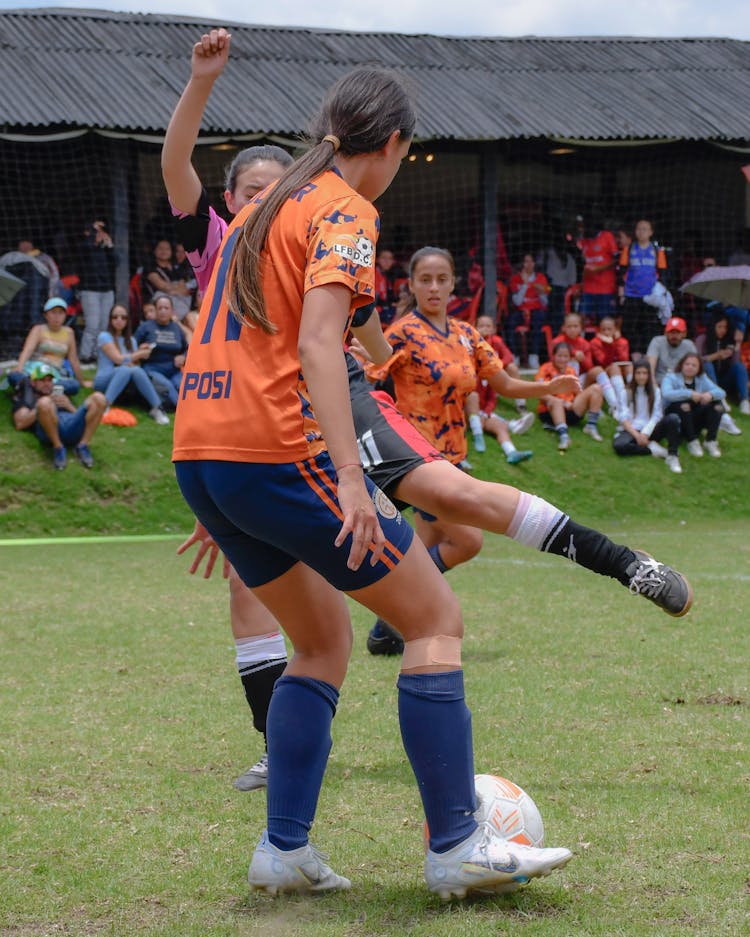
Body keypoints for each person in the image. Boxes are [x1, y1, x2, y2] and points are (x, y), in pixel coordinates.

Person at [169, 29, 692, 836]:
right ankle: (439, 828)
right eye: (248, 185)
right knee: (408, 608)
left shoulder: (318, 239)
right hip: (284, 429)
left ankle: (626, 563)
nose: (259, 194)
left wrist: (436, 377)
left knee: (459, 500)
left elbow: (357, 344)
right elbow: (316, 341)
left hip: (298, 420)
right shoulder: (282, 223)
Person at [11, 361, 106, 469]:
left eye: (49, 380)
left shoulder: (58, 392)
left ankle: (83, 445)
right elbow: (20, 423)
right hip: (49, 430)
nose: (47, 384)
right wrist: (40, 407)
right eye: (42, 380)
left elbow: (85, 417)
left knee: (99, 398)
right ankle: (58, 448)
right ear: (33, 383)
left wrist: (69, 406)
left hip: (71, 426)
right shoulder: (28, 397)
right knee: (45, 402)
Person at [93, 303, 170, 423]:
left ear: (127, 321)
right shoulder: (104, 336)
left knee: (136, 370)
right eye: (115, 317)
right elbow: (118, 359)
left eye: (123, 317)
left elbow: (134, 365)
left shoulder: (131, 340)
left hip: (124, 382)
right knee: (125, 369)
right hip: (104, 380)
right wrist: (138, 354)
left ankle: (157, 408)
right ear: (110, 319)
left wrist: (139, 352)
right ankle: (104, 406)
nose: (119, 320)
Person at [9, 296, 90, 396]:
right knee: (13, 376)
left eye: (60, 313)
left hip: (54, 375)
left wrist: (82, 382)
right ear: (46, 315)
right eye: (53, 312)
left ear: (65, 315)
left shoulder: (69, 333)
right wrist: (19, 368)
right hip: (34, 372)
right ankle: (40, 390)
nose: (57, 316)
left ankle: (35, 391)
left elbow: (73, 359)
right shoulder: (38, 329)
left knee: (74, 386)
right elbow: (27, 350)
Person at [612, 361, 683, 473]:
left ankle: (672, 456)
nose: (641, 376)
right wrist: (637, 435)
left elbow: (657, 415)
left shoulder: (656, 392)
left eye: (645, 373)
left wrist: (645, 433)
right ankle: (651, 448)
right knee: (619, 446)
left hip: (651, 429)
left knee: (673, 419)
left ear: (649, 375)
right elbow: (623, 417)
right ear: (634, 374)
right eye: (638, 373)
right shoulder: (626, 392)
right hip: (632, 429)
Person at [535, 342, 604, 448]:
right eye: (559, 356)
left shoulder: (570, 371)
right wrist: (563, 403)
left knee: (596, 388)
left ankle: (591, 425)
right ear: (553, 356)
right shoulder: (545, 369)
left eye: (565, 356)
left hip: (571, 410)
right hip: (549, 411)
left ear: (569, 358)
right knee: (556, 401)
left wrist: (581, 401)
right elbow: (540, 392)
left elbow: (578, 392)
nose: (562, 359)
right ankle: (564, 436)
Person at [662, 352, 726, 458]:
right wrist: (689, 393)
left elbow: (722, 392)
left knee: (717, 406)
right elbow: (667, 394)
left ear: (699, 368)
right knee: (684, 404)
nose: (690, 367)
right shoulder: (670, 377)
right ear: (681, 365)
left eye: (694, 365)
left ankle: (710, 440)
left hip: (694, 416)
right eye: (687, 364)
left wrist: (710, 394)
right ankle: (692, 441)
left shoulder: (701, 378)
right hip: (676, 416)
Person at [618, 219, 667, 354]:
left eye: (645, 229)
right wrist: (621, 292)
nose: (641, 232)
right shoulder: (628, 249)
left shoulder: (657, 251)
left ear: (651, 232)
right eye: (639, 229)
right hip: (632, 295)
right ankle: (632, 354)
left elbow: (663, 273)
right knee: (630, 328)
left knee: (650, 327)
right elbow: (621, 271)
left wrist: (662, 294)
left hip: (650, 297)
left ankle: (649, 355)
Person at [133, 293, 187, 409]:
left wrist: (183, 357)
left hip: (174, 370)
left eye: (166, 308)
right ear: (155, 310)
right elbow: (131, 347)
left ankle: (187, 409)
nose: (163, 311)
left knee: (183, 386)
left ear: (172, 311)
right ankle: (182, 410)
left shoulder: (176, 328)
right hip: (153, 368)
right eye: (160, 308)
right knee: (168, 387)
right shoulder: (146, 327)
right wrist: (140, 350)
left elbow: (187, 349)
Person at [78, 219, 115, 362]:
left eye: (102, 230)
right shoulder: (84, 247)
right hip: (90, 290)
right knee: (92, 325)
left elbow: (116, 262)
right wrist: (93, 239)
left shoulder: (106, 249)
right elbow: (85, 254)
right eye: (96, 230)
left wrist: (110, 245)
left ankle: (99, 355)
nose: (100, 234)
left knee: (104, 325)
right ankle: (85, 356)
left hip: (107, 291)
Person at [507, 253, 550, 370]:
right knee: (510, 323)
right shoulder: (516, 278)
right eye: (526, 261)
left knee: (538, 323)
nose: (529, 265)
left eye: (531, 261)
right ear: (522, 264)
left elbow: (545, 303)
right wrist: (525, 285)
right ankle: (514, 357)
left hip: (536, 310)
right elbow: (517, 302)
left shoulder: (541, 278)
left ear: (535, 264)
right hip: (521, 311)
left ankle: (534, 356)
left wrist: (541, 292)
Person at [701, 312, 750, 414]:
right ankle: (718, 397)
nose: (723, 330)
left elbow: (735, 365)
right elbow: (695, 361)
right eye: (720, 327)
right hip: (707, 382)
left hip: (724, 380)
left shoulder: (728, 341)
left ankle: (744, 401)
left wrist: (736, 347)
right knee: (708, 364)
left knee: (739, 367)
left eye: (725, 327)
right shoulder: (702, 339)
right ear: (713, 326)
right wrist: (716, 356)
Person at [588, 316, 632, 416]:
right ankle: (617, 405)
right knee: (614, 368)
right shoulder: (595, 342)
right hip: (603, 373)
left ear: (615, 330)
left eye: (609, 329)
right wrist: (610, 345)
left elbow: (624, 358)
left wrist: (616, 343)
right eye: (603, 329)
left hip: (619, 370)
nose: (606, 332)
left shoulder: (622, 341)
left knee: (630, 367)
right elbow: (603, 361)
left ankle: (634, 398)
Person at [579, 217, 618, 322]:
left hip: (605, 288)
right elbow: (582, 262)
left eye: (585, 227)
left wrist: (599, 268)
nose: (583, 230)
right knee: (581, 318)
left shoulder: (607, 236)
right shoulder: (583, 240)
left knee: (604, 320)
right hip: (588, 287)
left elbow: (617, 260)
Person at [646, 317, 697, 386]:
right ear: (665, 333)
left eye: (677, 332)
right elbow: (650, 367)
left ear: (684, 334)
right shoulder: (657, 341)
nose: (674, 336)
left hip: (682, 385)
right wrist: (654, 387)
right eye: (671, 332)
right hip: (660, 383)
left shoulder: (689, 345)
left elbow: (697, 367)